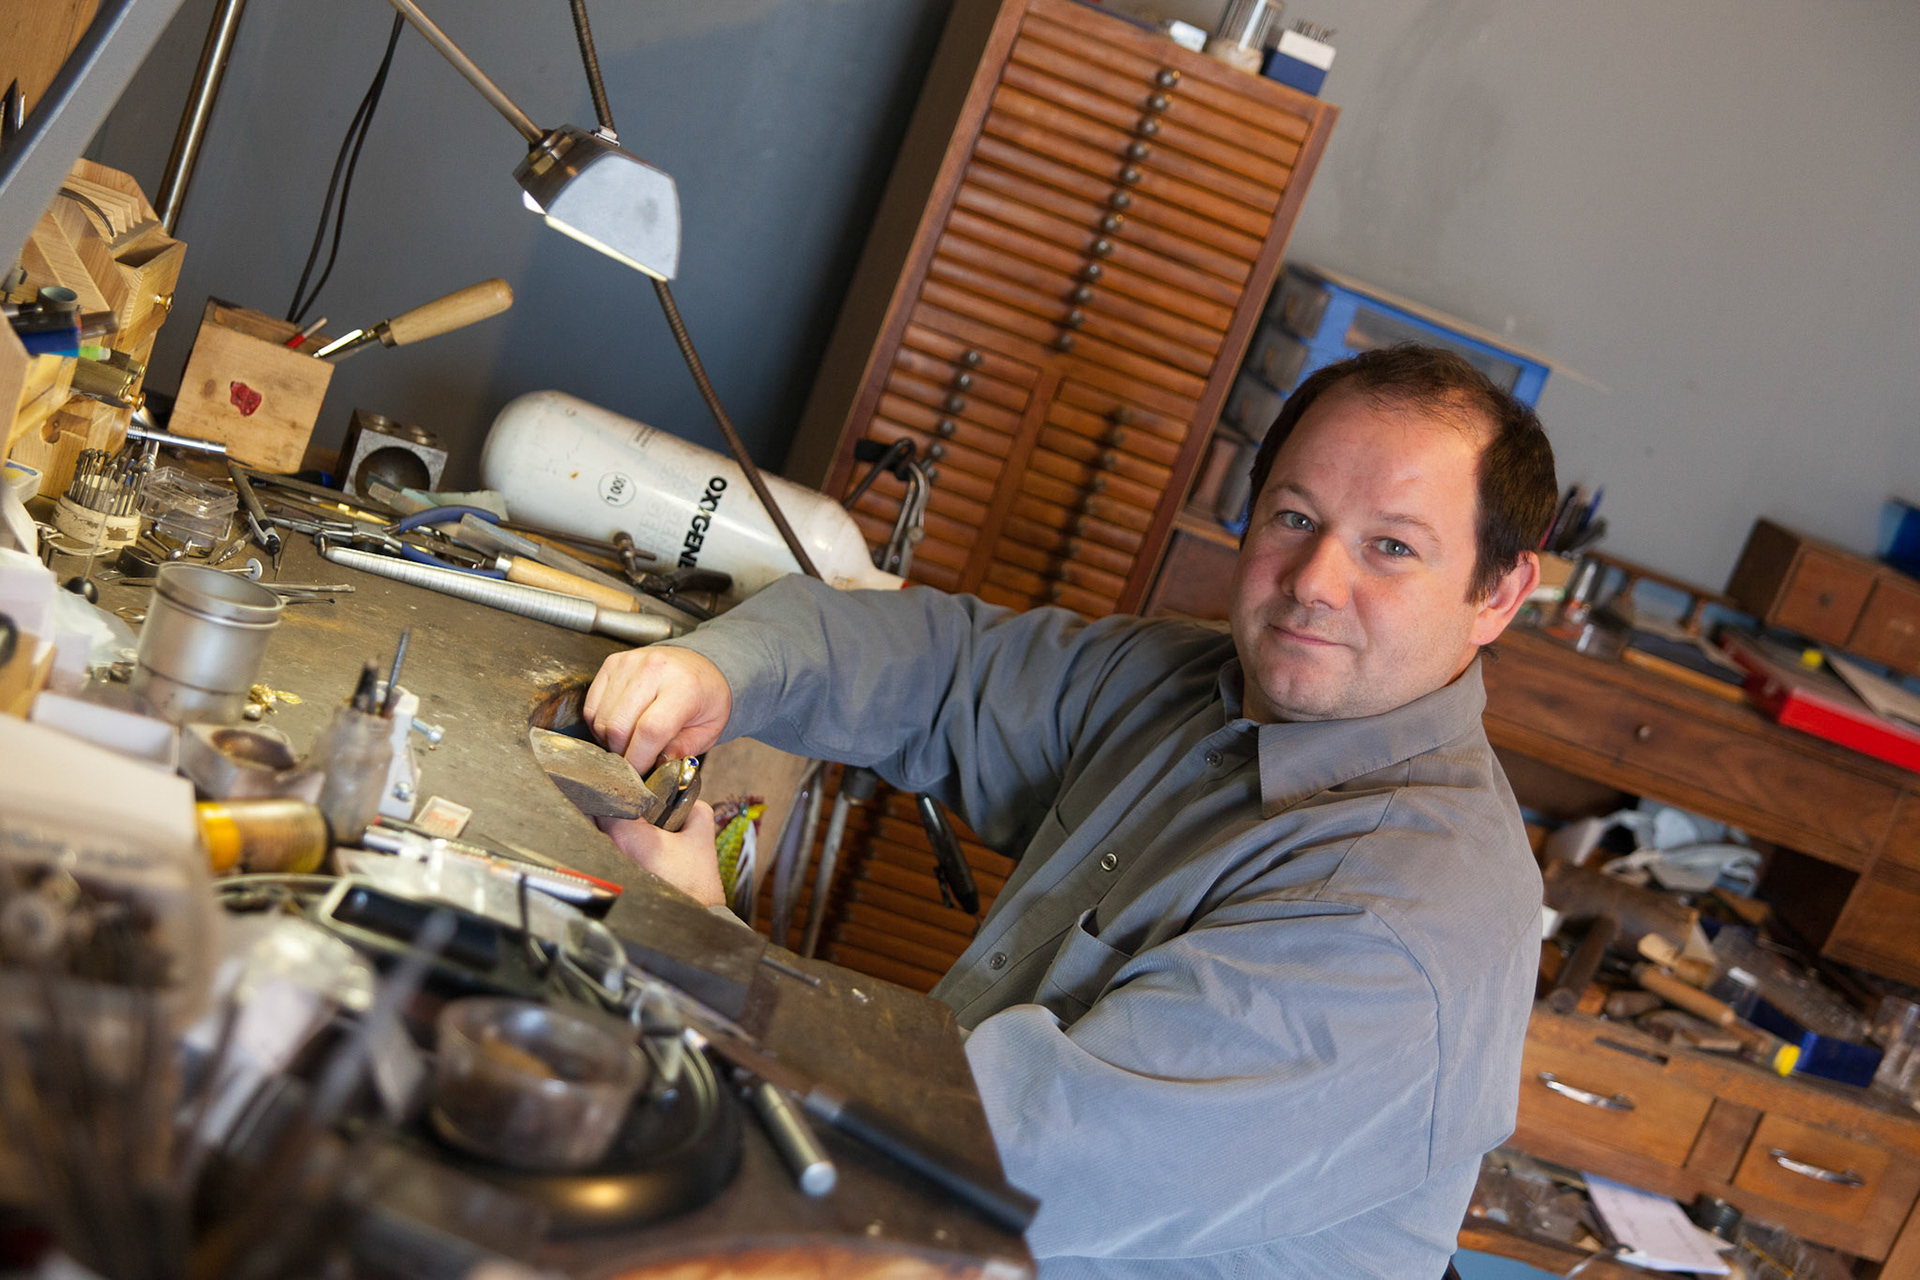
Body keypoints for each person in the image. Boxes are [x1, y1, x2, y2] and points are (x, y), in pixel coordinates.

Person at [583, 345, 1559, 1278]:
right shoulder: (1196, 683)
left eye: (1393, 546)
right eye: (1295, 517)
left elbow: (994, 1147)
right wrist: (723, 669)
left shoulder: (1397, 920)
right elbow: (946, 667)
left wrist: (705, 946)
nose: (1314, 583)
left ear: (1500, 591)